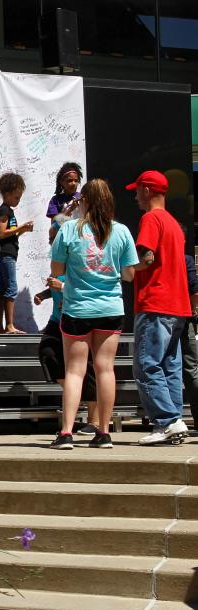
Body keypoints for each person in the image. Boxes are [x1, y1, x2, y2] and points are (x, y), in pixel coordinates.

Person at [48, 179, 138, 449]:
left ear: (83, 200)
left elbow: (56, 271)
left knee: (75, 371)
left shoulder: (68, 231)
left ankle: (66, 433)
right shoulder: (121, 232)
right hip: (110, 309)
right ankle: (104, 432)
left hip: (77, 309)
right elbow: (130, 275)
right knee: (105, 369)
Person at [127, 170, 191, 445]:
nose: (135, 195)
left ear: (148, 190)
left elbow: (148, 256)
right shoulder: (174, 224)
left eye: (138, 190)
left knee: (146, 364)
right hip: (177, 306)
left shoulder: (151, 218)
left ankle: (166, 421)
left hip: (155, 302)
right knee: (170, 366)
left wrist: (125, 269)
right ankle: (174, 420)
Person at [34, 276, 101, 434]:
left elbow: (89, 287)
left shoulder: (78, 261)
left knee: (89, 366)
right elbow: (56, 287)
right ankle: (73, 393)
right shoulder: (57, 265)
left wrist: (66, 292)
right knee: (47, 352)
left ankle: (95, 421)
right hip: (57, 320)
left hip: (80, 317)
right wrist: (44, 295)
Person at [0, 173, 34, 334]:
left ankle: (0, 326)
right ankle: (9, 325)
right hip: (6, 255)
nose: (18, 200)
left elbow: (10, 235)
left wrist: (21, 230)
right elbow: (2, 233)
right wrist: (20, 227)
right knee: (10, 288)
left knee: (4, 290)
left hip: (8, 253)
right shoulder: (5, 210)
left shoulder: (8, 210)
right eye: (16, 197)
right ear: (8, 194)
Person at [47, 163, 83, 243]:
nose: (73, 183)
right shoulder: (55, 200)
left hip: (79, 240)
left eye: (76, 180)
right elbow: (54, 224)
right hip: (62, 241)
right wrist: (70, 209)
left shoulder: (82, 198)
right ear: (61, 182)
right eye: (69, 180)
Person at [181, 254, 198, 430]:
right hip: (185, 317)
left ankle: (171, 419)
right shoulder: (186, 259)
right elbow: (195, 290)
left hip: (158, 314)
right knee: (191, 367)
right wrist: (192, 310)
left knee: (164, 366)